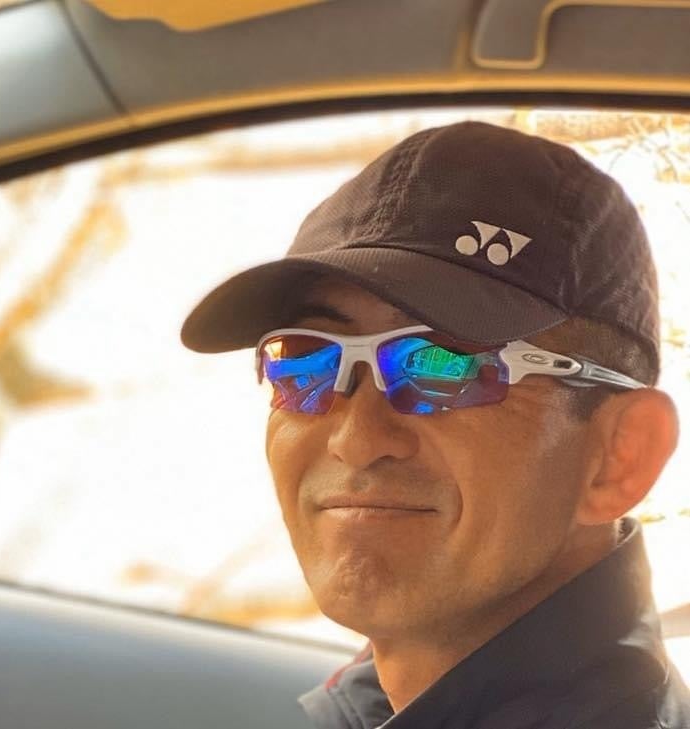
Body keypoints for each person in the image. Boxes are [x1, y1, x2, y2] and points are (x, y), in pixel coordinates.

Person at [181, 122, 690, 728]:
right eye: (306, 360)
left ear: (621, 455)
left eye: (443, 366)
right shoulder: (381, 703)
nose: (355, 439)